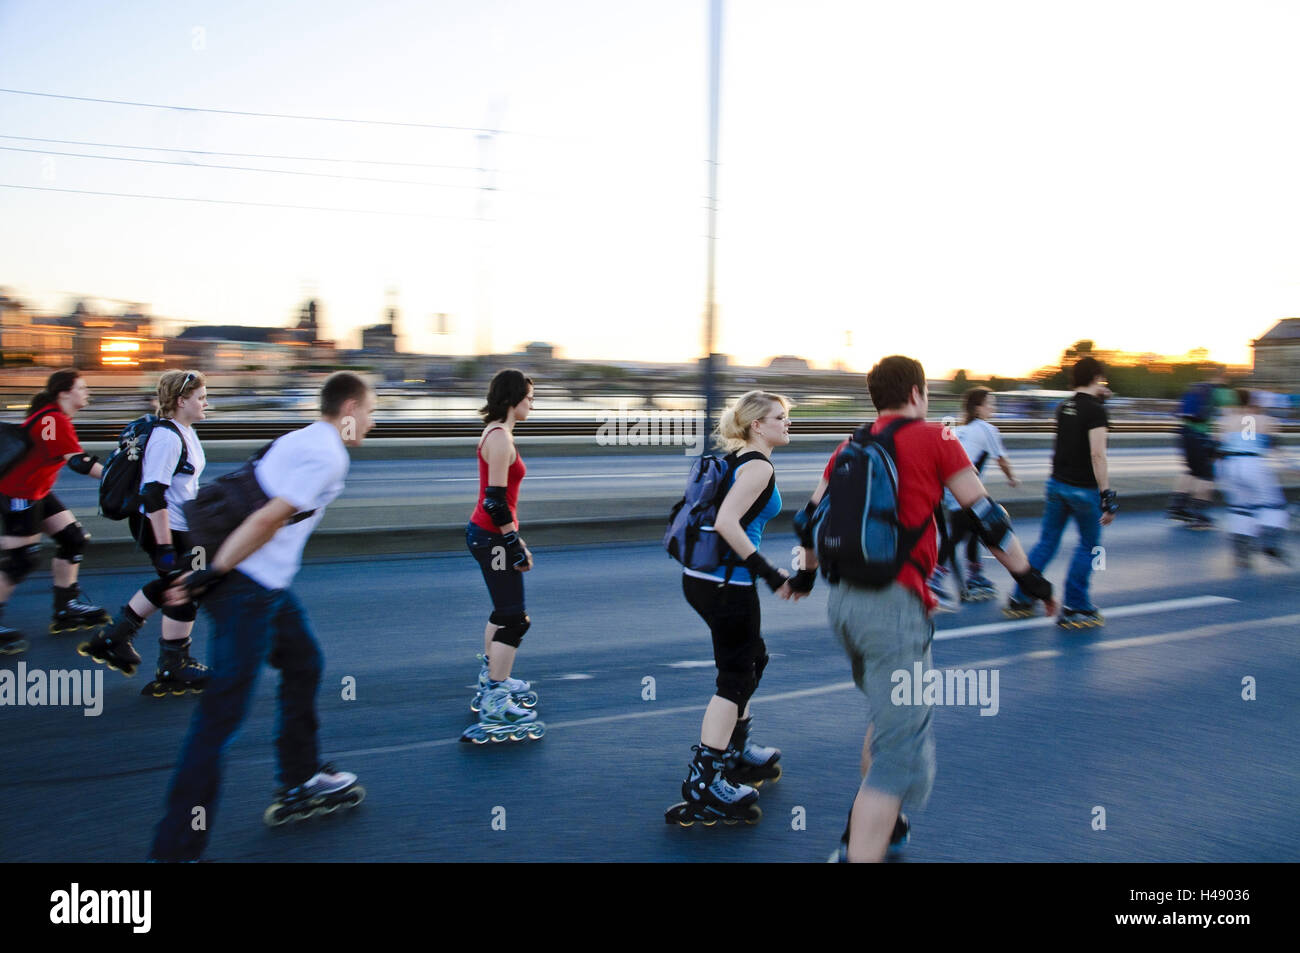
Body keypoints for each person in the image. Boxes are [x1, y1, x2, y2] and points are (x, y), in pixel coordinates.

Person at [794, 356, 1054, 862]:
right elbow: (986, 519)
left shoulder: (850, 445)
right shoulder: (937, 437)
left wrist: (804, 579)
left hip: (843, 604)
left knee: (887, 718)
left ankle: (884, 829)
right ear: (916, 392)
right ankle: (859, 847)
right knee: (899, 751)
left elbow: (807, 522)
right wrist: (1032, 580)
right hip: (892, 608)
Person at [147, 372, 375, 861]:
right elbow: (267, 518)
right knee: (220, 718)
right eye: (372, 411)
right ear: (351, 408)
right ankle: (174, 851)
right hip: (244, 586)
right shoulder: (330, 454)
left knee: (304, 662)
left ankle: (300, 778)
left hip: (264, 585)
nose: (373, 421)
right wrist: (213, 574)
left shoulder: (301, 436)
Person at [668, 390, 810, 826]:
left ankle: (735, 749)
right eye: (779, 417)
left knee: (752, 659)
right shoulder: (757, 467)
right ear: (756, 425)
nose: (787, 423)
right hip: (729, 584)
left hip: (706, 579)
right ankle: (706, 778)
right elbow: (726, 522)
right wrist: (770, 574)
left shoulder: (736, 460)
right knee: (734, 676)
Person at [79, 371, 211, 691]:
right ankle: (173, 666)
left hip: (180, 524)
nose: (207, 403)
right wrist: (165, 548)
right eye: (201, 398)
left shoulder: (184, 430)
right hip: (163, 526)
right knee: (187, 585)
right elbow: (153, 493)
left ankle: (114, 637)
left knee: (181, 581)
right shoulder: (167, 437)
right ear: (181, 401)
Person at [461, 369, 547, 743]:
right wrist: (513, 544)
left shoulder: (500, 433)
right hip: (492, 537)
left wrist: (515, 540)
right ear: (513, 398)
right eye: (529, 397)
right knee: (515, 619)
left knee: (502, 612)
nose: (532, 403)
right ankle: (496, 696)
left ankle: (492, 676)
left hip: (491, 535)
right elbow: (494, 502)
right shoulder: (499, 438)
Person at [0, 369, 107, 654]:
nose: (87, 393)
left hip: (37, 492)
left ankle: (66, 607)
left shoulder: (50, 416)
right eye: (82, 388)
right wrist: (117, 478)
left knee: (73, 539)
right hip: (19, 493)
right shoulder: (53, 419)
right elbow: (80, 463)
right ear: (64, 393)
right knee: (21, 560)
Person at [1004, 357, 1116, 628]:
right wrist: (1106, 495)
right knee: (1089, 545)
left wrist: (1100, 399)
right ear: (1097, 377)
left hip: (1056, 485)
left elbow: (1079, 420)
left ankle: (1022, 596)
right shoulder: (1096, 411)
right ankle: (1076, 605)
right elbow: (1097, 454)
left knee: (1047, 542)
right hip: (1083, 490)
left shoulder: (1063, 407)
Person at [929, 387, 1019, 608]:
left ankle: (974, 575)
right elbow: (1002, 460)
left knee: (972, 530)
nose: (993, 407)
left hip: (948, 487)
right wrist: (1012, 479)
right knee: (959, 534)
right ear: (979, 408)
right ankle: (935, 578)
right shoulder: (986, 429)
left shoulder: (963, 430)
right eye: (990, 403)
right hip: (964, 490)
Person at [1218, 389, 1290, 567]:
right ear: (1253, 402)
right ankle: (1268, 542)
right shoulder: (1266, 420)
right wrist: (1292, 466)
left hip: (1230, 465)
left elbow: (1216, 447)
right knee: (1273, 504)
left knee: (1240, 508)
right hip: (1252, 463)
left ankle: (1241, 552)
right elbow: (1275, 448)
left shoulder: (1225, 421)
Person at [1167, 372, 1235, 530]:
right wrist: (1222, 439)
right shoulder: (1222, 392)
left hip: (1184, 433)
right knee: (1206, 476)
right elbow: (1228, 417)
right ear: (1224, 378)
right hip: (1200, 436)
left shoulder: (1196, 389)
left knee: (1191, 471)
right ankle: (1200, 516)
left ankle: (1177, 507)